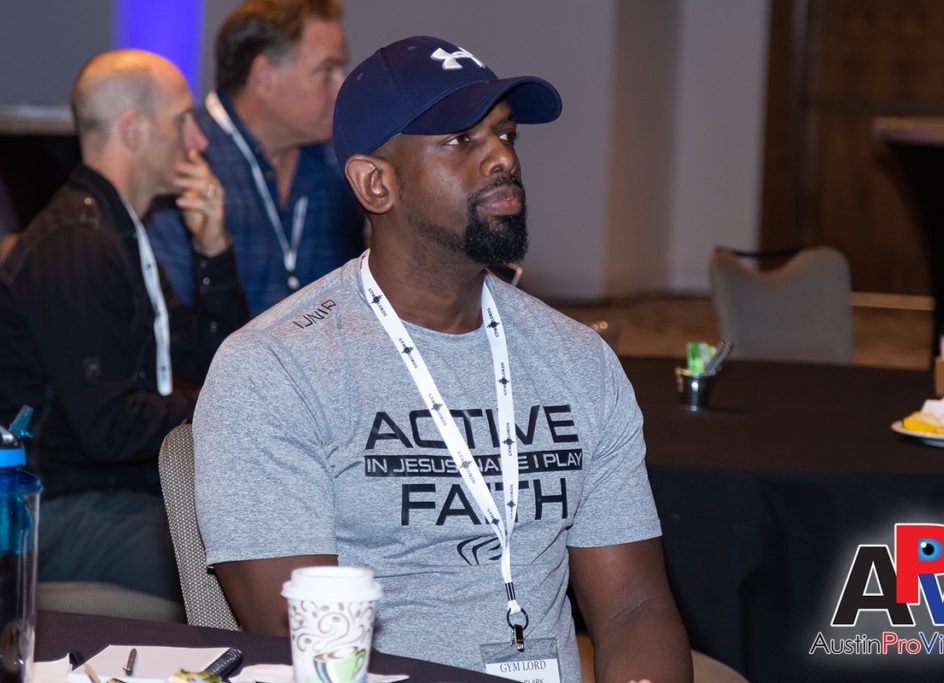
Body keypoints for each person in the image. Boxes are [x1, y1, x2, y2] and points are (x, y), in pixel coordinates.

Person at [193, 36, 693, 682]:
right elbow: (309, 645)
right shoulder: (275, 369)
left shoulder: (578, 361)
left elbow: (634, 607)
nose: (502, 158)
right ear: (376, 183)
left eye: (505, 134)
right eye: (461, 140)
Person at [0, 49, 248, 600]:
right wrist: (228, 408)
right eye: (183, 120)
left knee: (255, 531)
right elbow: (110, 428)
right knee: (239, 560)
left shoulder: (118, 231)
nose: (198, 142)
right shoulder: (78, 245)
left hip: (109, 496)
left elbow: (217, 360)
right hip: (54, 509)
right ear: (133, 130)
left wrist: (213, 251)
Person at [147, 0, 364, 317]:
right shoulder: (185, 165)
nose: (342, 88)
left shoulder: (342, 168)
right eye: (327, 71)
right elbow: (172, 326)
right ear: (264, 78)